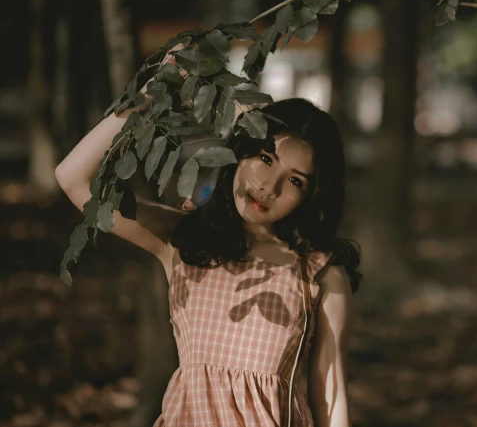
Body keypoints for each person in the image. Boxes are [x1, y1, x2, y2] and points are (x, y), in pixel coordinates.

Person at [55, 72, 361, 426]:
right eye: (265, 158)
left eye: (295, 180)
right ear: (241, 152)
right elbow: (72, 178)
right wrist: (155, 88)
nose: (268, 186)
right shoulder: (183, 239)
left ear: (312, 197)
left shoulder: (319, 274)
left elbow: (329, 397)